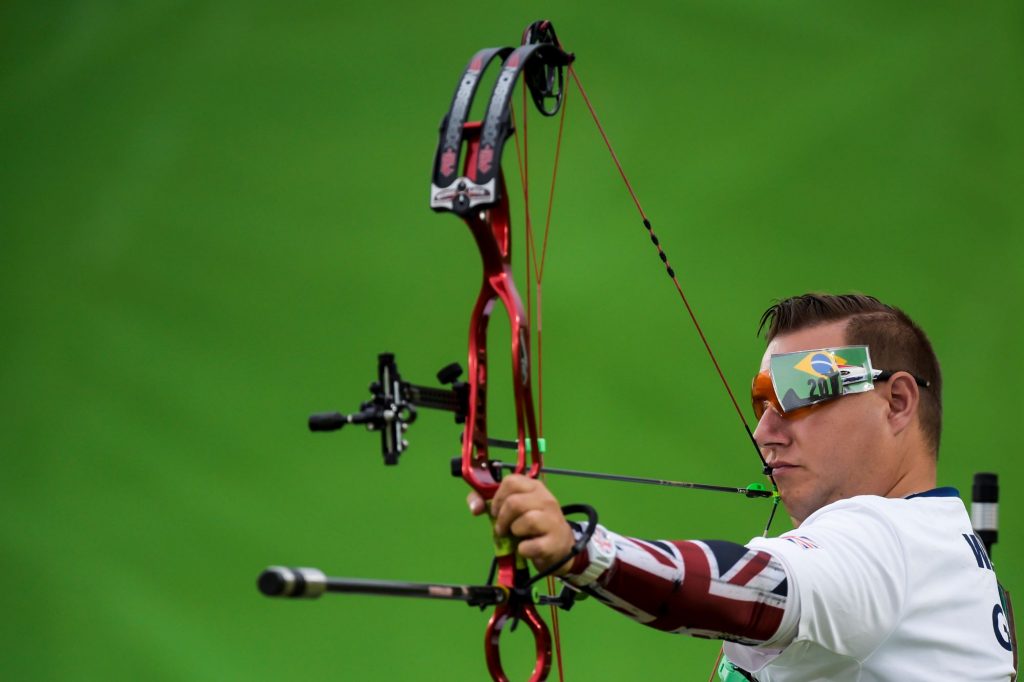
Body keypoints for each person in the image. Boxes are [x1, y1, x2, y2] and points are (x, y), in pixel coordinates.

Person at [468, 293, 1016, 681]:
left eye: (798, 394)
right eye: (760, 404)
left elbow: (763, 588)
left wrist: (581, 550)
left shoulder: (884, 539)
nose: (764, 432)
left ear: (896, 401)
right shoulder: (939, 548)